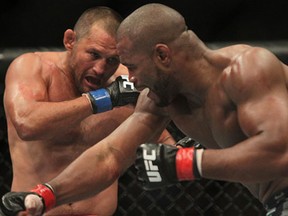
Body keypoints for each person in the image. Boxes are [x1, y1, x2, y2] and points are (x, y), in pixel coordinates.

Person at [1, 3, 287, 216]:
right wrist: (45, 195)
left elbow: (280, 153)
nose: (130, 79)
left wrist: (186, 163)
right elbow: (109, 156)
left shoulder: (246, 69)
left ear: (162, 55)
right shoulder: (159, 99)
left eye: (132, 66)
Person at [1, 5, 175, 216]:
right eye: (93, 54)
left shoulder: (126, 81)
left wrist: (174, 158)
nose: (101, 69)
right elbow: (27, 125)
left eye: (112, 60)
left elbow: (159, 137)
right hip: (34, 211)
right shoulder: (32, 67)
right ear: (70, 41)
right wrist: (103, 99)